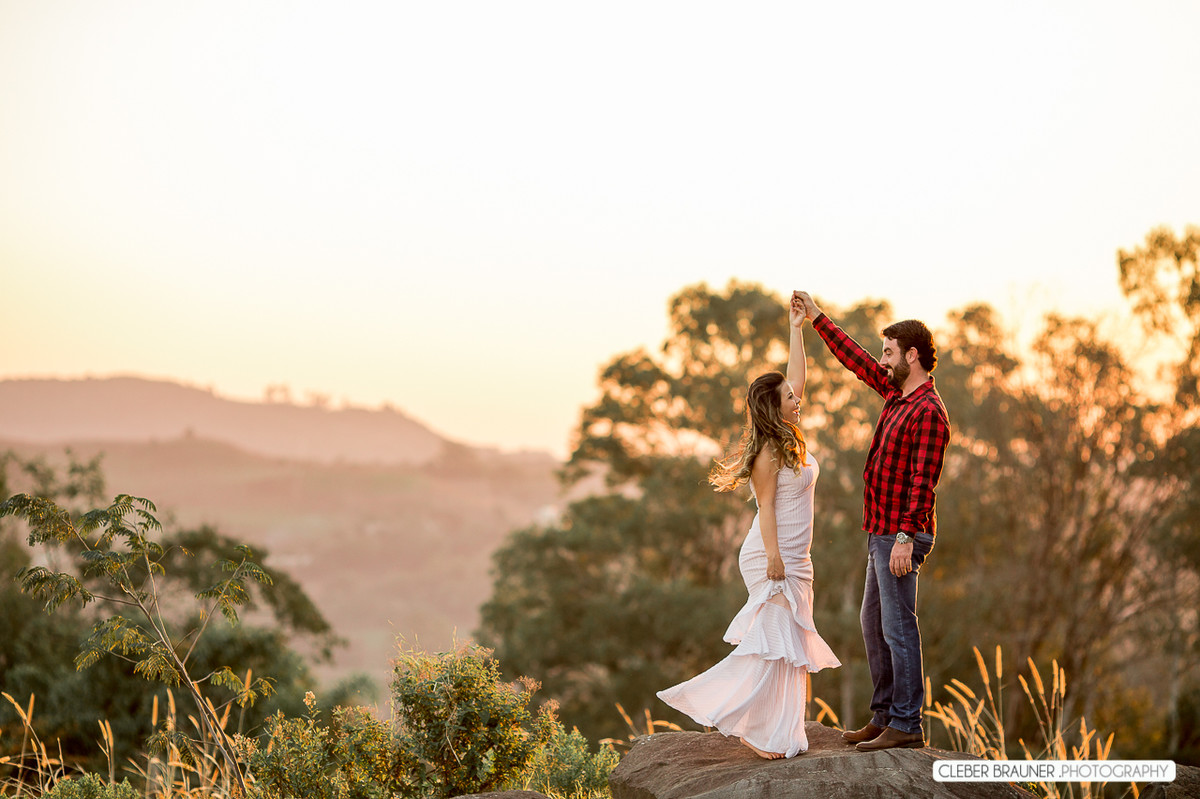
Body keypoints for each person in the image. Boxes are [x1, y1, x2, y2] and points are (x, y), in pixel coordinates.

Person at [656, 296, 840, 759]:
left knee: (789, 647)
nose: (798, 398)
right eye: (789, 397)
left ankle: (775, 730)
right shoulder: (769, 452)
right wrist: (776, 558)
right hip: (770, 554)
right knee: (772, 643)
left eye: (795, 395)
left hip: (798, 558)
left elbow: (797, 376)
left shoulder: (791, 434)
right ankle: (752, 730)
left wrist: (797, 328)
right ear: (775, 408)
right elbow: (766, 508)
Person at [791, 290, 951, 752]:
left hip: (901, 535)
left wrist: (904, 537)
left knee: (898, 626)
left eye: (889, 353)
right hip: (880, 531)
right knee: (873, 623)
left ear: (912, 355)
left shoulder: (928, 412)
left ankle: (906, 723)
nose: (882, 360)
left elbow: (924, 484)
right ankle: (884, 716)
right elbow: (856, 360)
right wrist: (818, 317)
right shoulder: (897, 394)